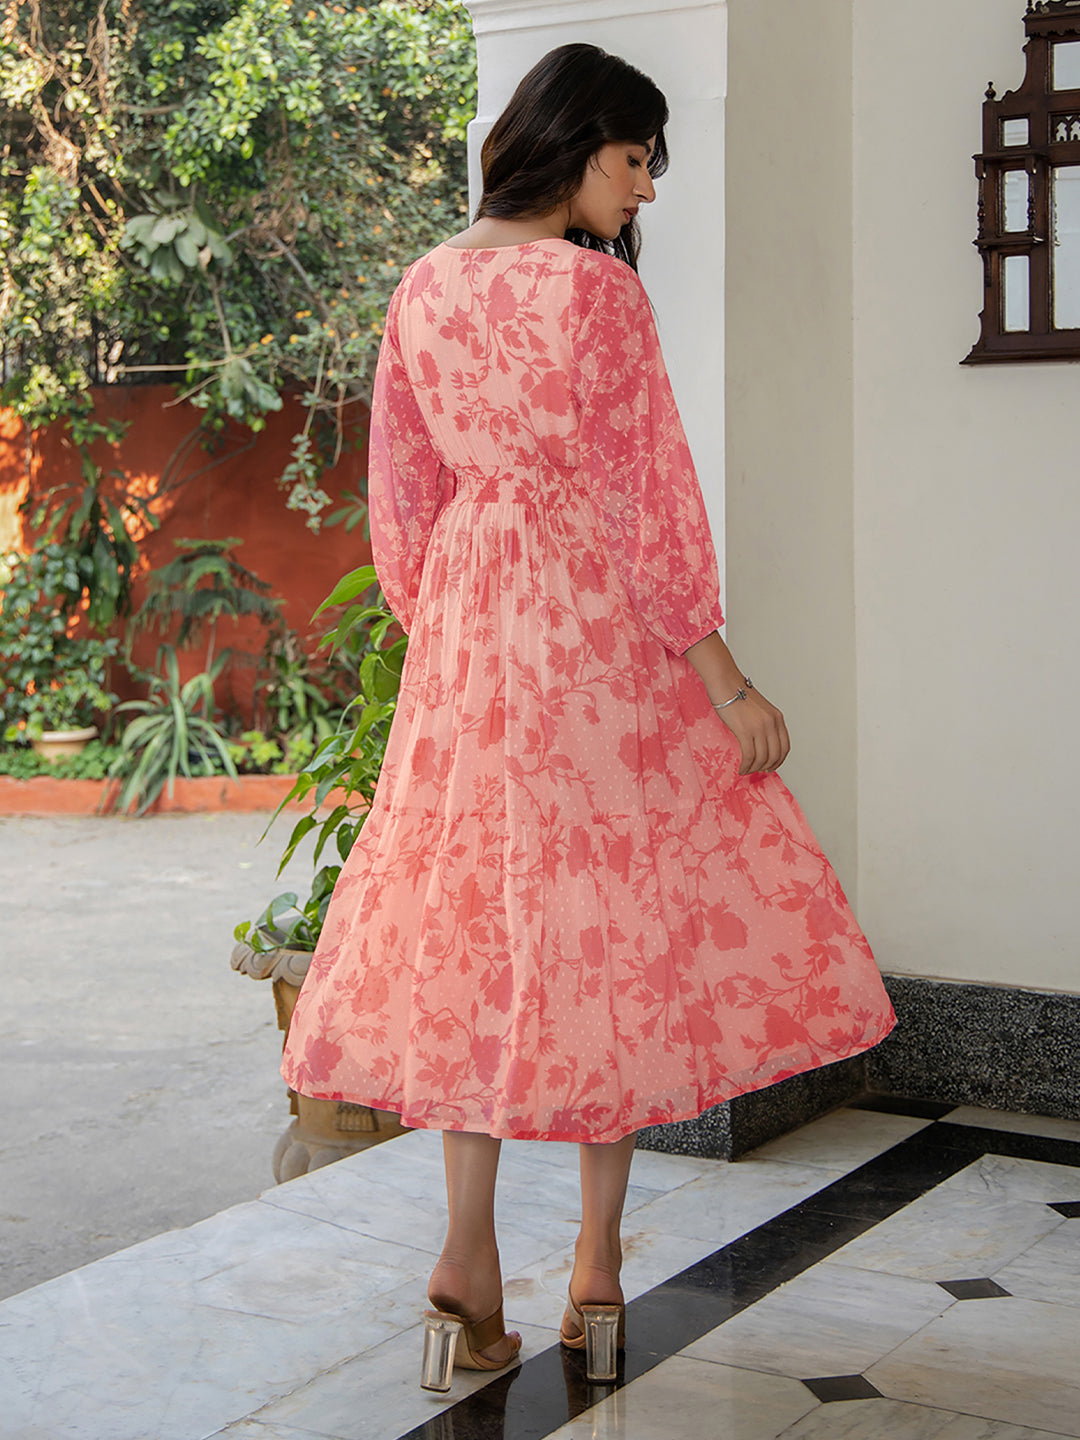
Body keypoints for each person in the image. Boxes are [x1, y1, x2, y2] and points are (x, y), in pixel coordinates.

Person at [280, 42, 897, 1390]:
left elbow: (400, 508)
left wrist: (456, 635)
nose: (646, 190)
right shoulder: (595, 294)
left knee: (478, 926)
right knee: (606, 917)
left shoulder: (422, 287)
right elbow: (648, 503)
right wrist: (726, 683)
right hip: (592, 637)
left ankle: (463, 1258)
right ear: (575, 146)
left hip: (467, 639)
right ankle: (599, 1268)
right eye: (636, 160)